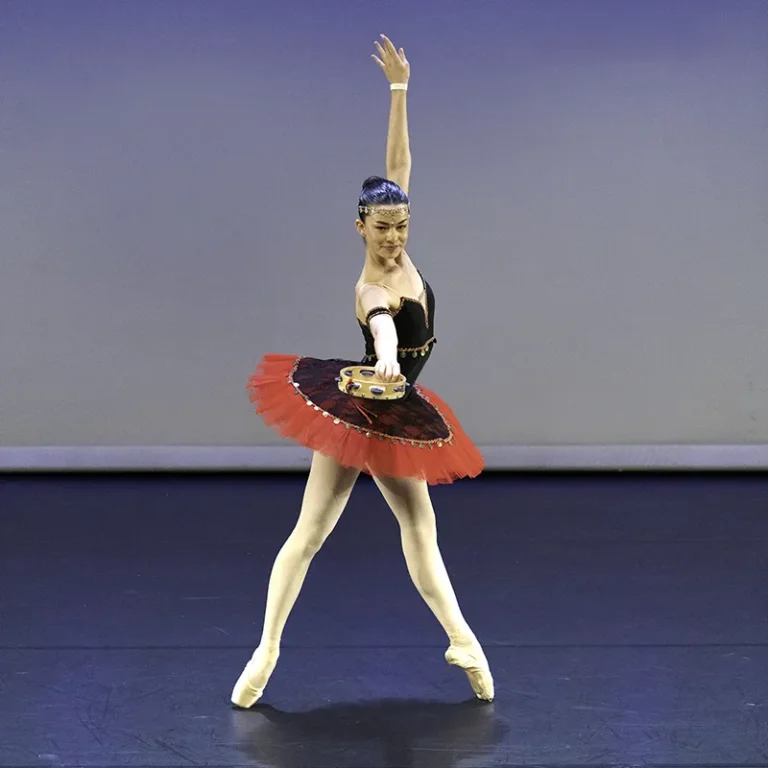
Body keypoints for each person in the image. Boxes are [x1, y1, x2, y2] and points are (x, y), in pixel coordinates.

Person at [231, 34, 493, 707]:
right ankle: (266, 650)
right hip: (364, 409)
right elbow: (382, 329)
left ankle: (466, 643)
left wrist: (399, 89)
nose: (395, 237)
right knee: (311, 534)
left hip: (393, 410)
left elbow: (398, 163)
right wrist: (384, 361)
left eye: (402, 225)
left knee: (419, 528)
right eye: (383, 228)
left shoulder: (399, 239)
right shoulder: (370, 287)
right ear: (360, 228)